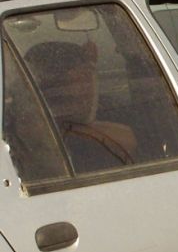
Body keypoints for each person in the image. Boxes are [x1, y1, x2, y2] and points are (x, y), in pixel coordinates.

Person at [24, 40, 137, 172]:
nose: (90, 88)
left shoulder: (112, 108)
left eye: (90, 75)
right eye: (78, 80)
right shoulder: (33, 133)